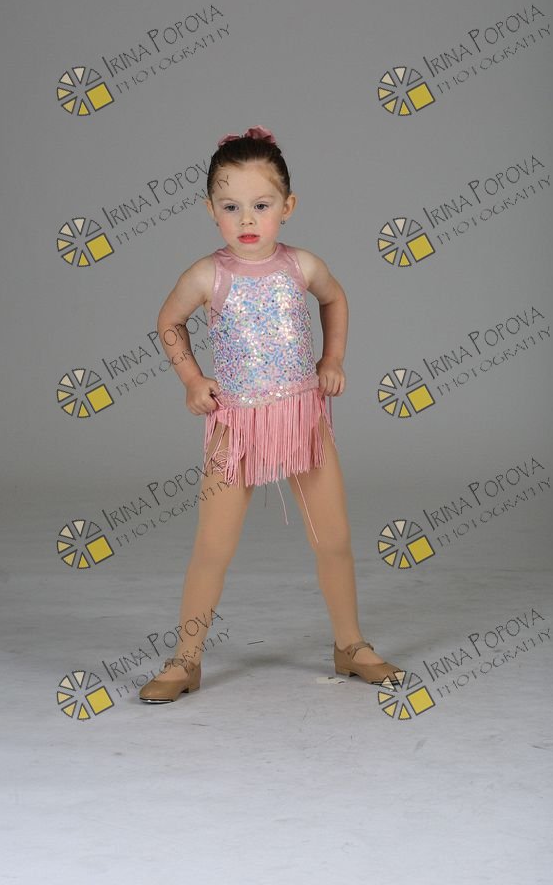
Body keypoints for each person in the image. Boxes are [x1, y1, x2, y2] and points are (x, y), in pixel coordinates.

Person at [139, 125, 404, 704]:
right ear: (211, 210)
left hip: (302, 420)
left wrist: (332, 358)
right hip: (235, 426)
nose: (246, 219)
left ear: (288, 206)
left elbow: (335, 297)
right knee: (213, 546)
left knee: (333, 538)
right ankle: (185, 658)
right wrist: (193, 380)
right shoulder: (207, 275)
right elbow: (169, 322)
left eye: (261, 205)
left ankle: (351, 644)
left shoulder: (301, 266)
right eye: (230, 206)